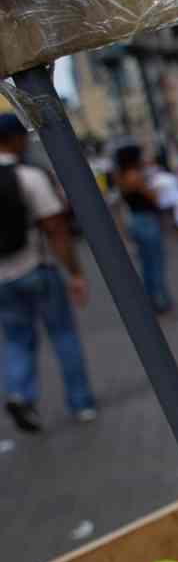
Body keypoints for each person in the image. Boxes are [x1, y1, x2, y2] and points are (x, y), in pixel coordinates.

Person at [0, 113, 97, 431]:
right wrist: (75, 273)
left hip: (2, 280)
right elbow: (56, 229)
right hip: (37, 268)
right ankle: (81, 403)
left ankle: (19, 394)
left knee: (17, 341)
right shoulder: (29, 177)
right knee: (63, 334)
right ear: (15, 139)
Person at [114, 144, 173, 313]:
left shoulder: (121, 177)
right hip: (146, 220)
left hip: (135, 220)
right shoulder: (135, 176)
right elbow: (154, 197)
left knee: (147, 264)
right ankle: (162, 302)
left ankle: (151, 301)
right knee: (156, 262)